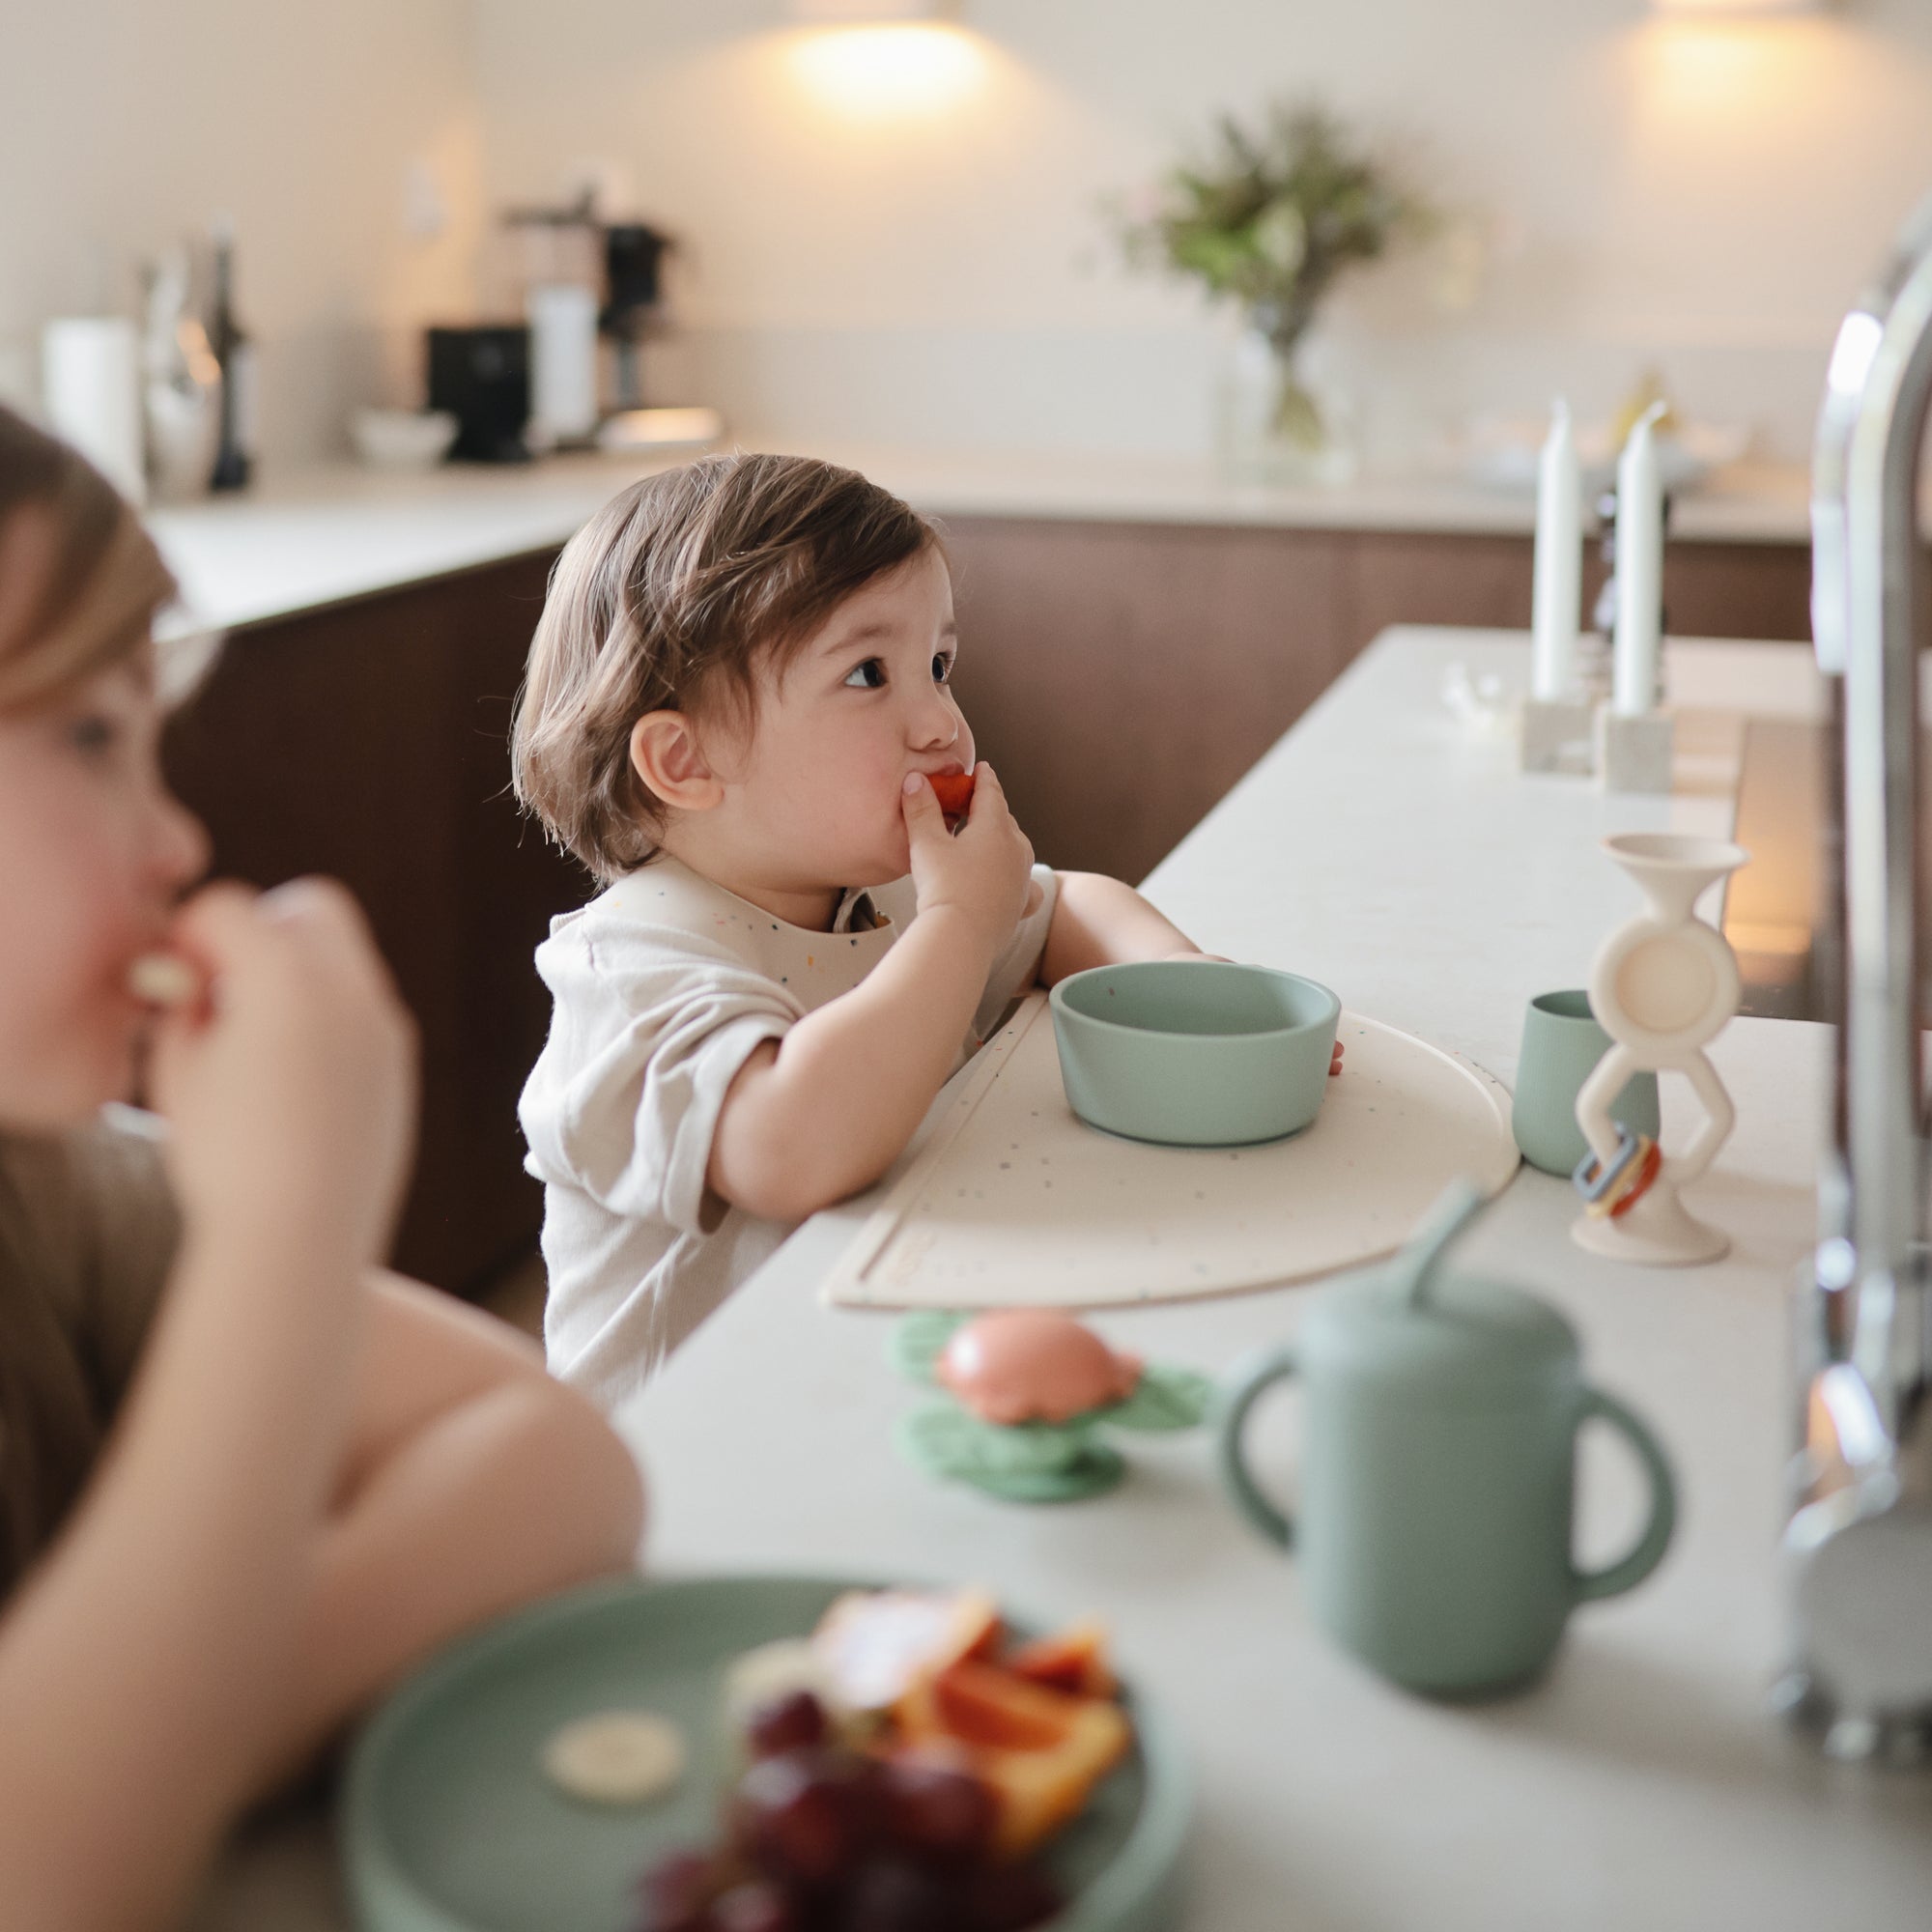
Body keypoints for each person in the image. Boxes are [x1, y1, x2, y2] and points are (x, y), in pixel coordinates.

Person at [0, 405, 644, 1930]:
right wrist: (284, 1230)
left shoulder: (51, 1186)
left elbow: (558, 1460)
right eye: (92, 735)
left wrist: (155, 1730)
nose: (176, 840)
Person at [513, 452, 1340, 1403]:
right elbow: (791, 1147)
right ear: (684, 757)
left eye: (938, 665)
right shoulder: (628, 972)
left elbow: (1063, 903)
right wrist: (957, 920)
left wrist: (1180, 980)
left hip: (849, 1375)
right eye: (869, 672)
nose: (942, 721)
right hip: (681, 1463)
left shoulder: (878, 900)